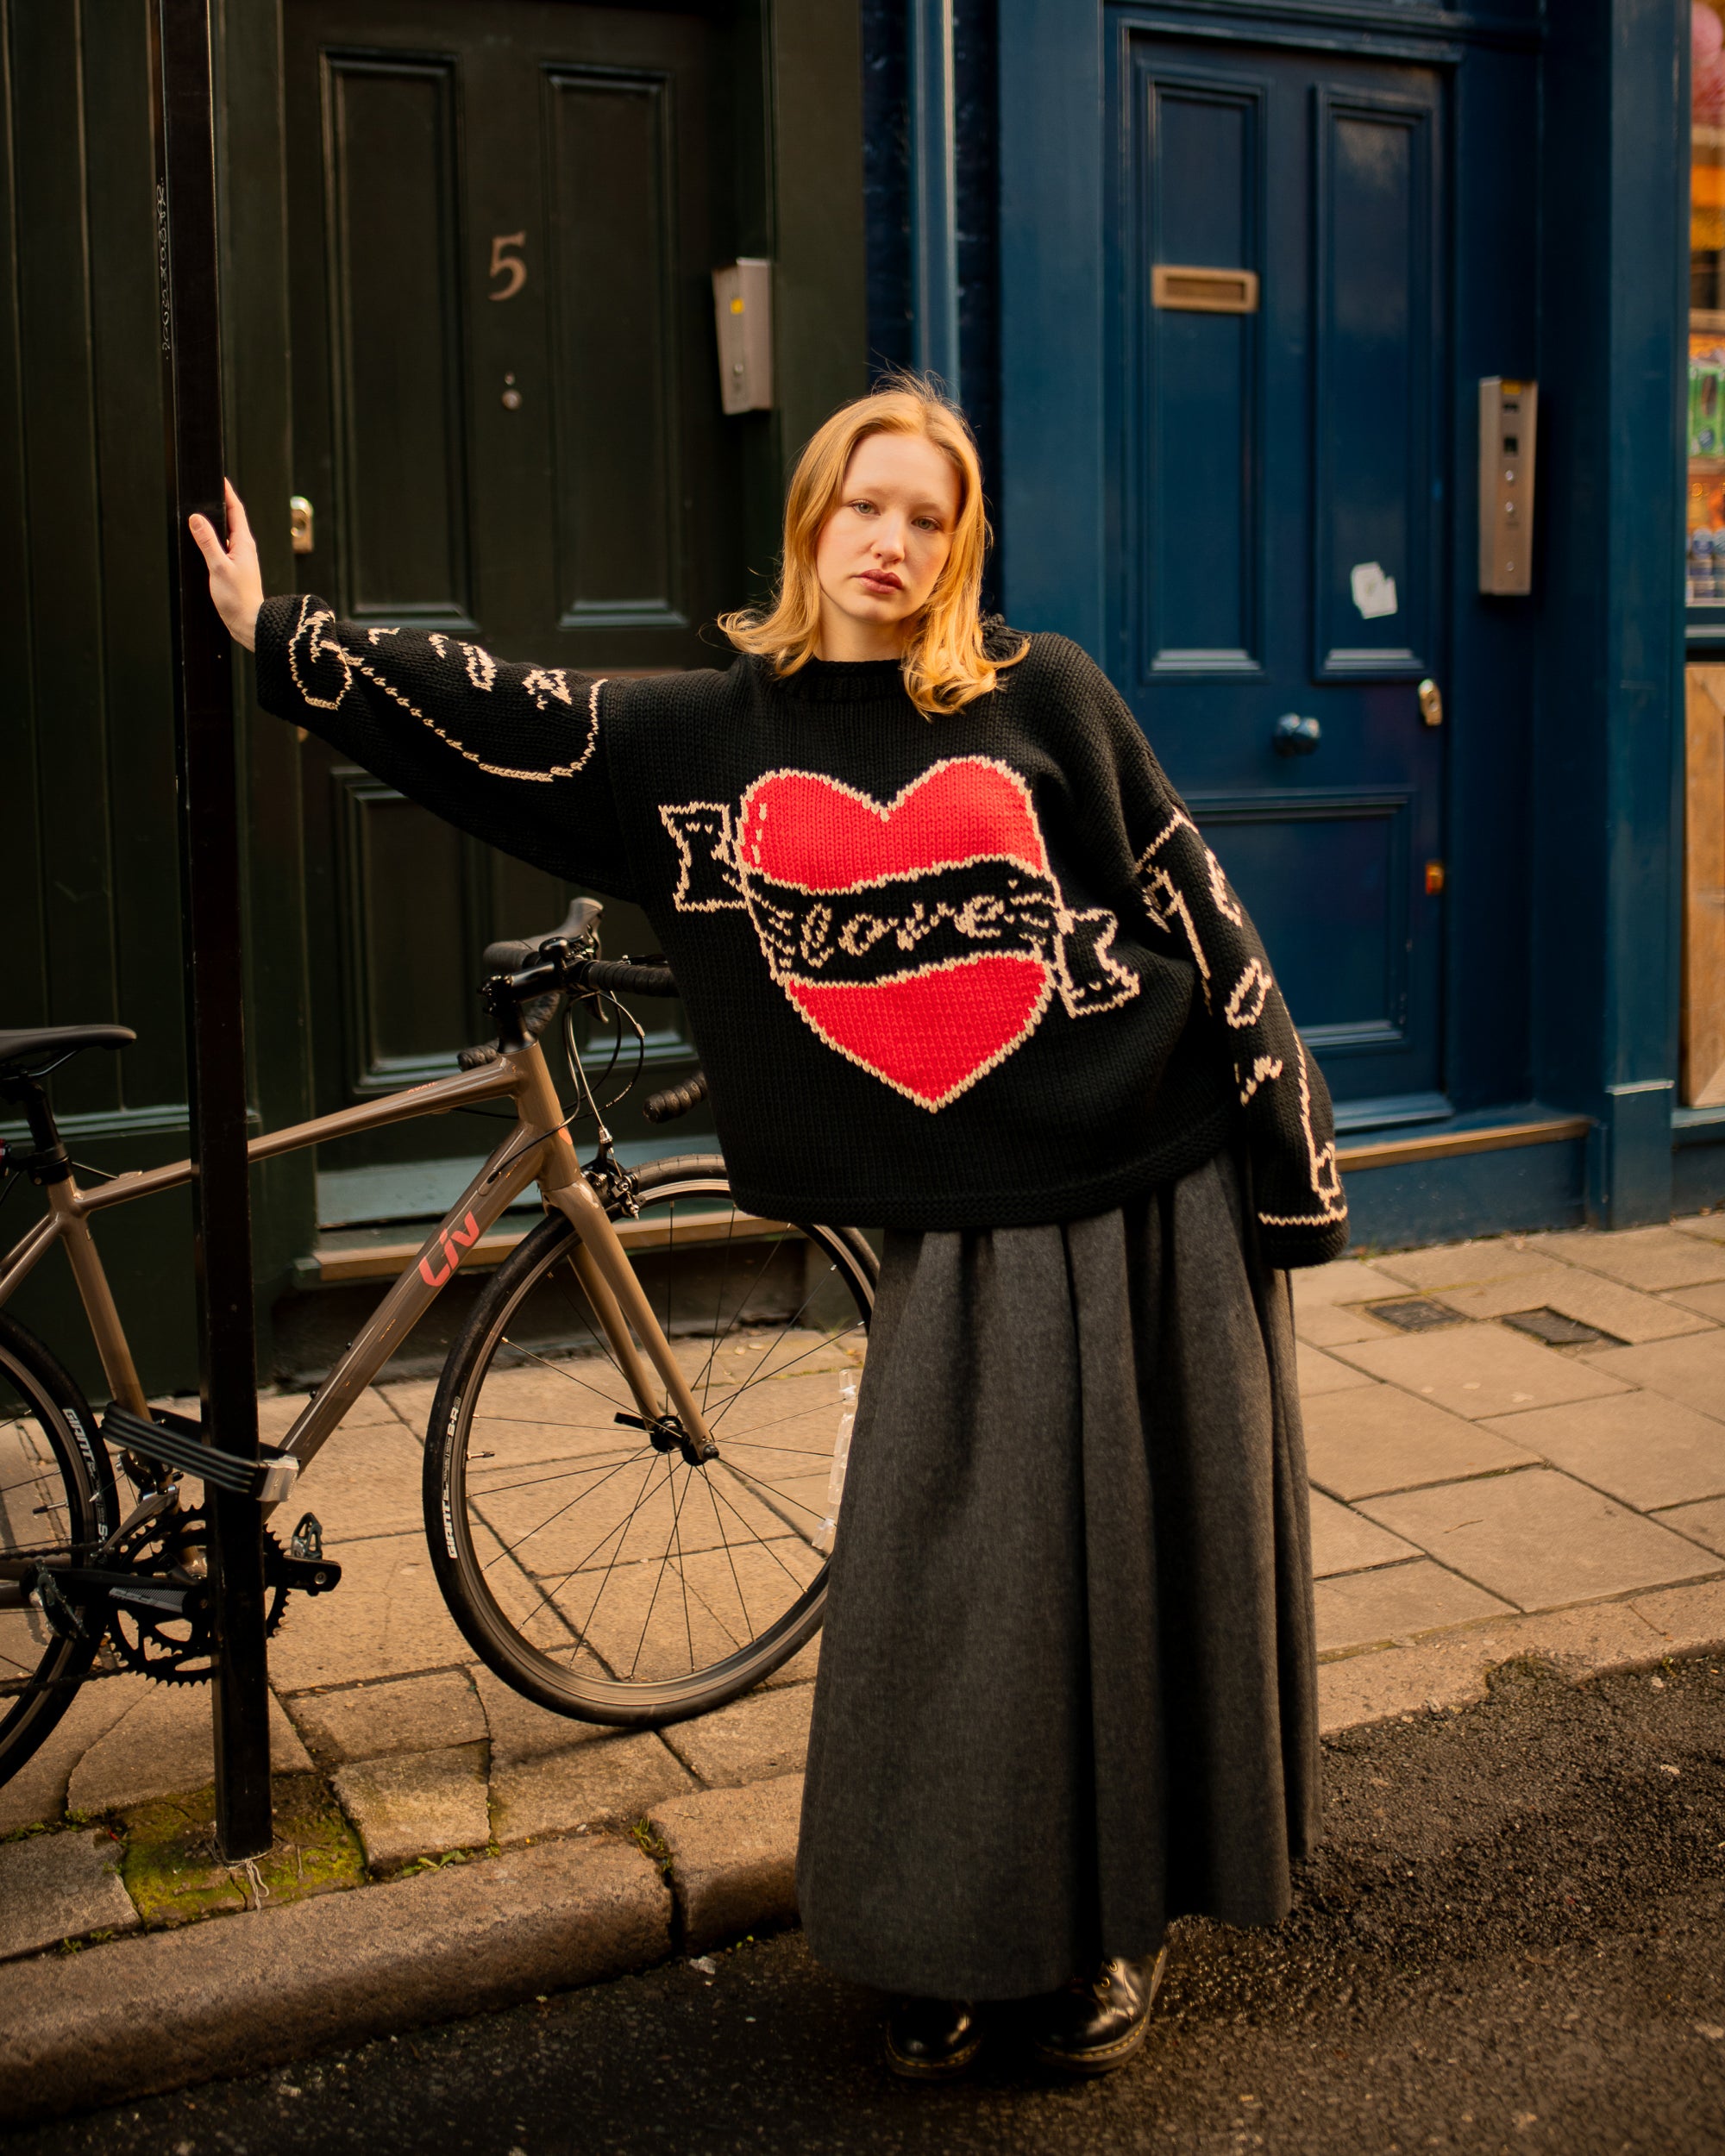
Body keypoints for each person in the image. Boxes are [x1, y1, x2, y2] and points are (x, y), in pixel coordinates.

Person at [192, 377, 1346, 2080]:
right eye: (860, 507)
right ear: (810, 523)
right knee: (950, 1603)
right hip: (951, 1238)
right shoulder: (708, 732)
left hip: (1137, 1179)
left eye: (926, 517)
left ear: (961, 547)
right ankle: (947, 1935)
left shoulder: (1052, 698)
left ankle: (1105, 1931)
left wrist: (1288, 1153)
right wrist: (280, 633)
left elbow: (1190, 897)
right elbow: (503, 716)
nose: (889, 543)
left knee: (1120, 1580)